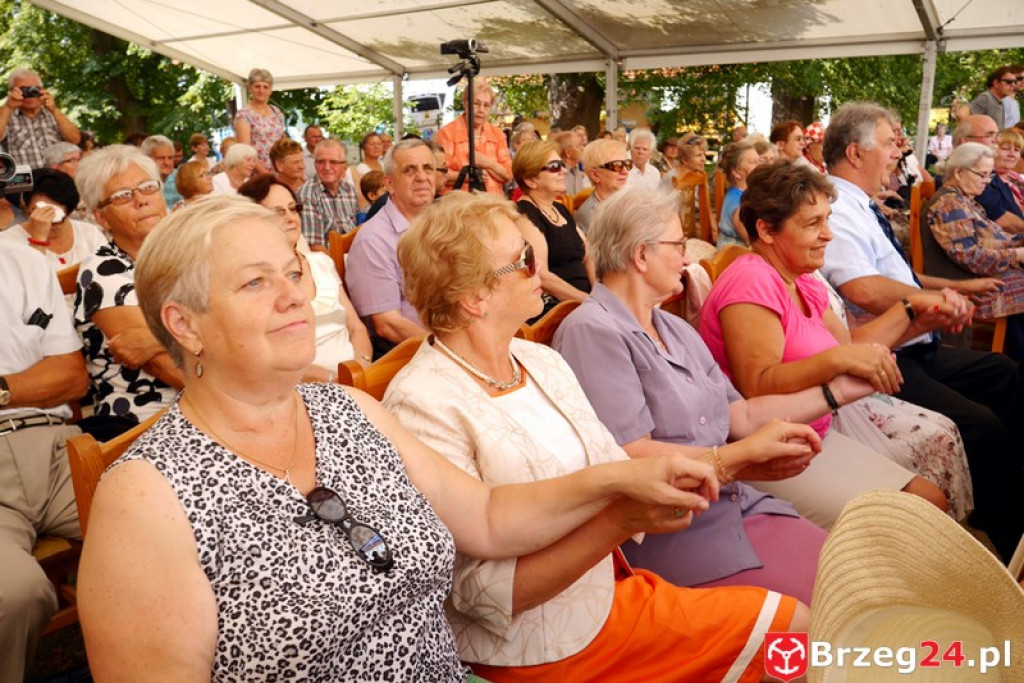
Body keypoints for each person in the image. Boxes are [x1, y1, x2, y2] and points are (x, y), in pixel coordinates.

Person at [78, 195, 727, 682]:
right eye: (255, 282)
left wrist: (622, 482)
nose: (293, 297)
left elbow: (488, 517)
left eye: (293, 272)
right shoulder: (147, 497)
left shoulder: (347, 410)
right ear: (183, 325)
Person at [384, 190, 810, 683]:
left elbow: (617, 466)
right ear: (475, 299)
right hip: (538, 647)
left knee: (797, 630)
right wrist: (620, 518)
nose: (540, 270)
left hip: (610, 589)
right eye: (524, 260)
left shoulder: (537, 360)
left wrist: (715, 469)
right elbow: (483, 596)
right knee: (793, 634)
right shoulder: (422, 405)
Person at [554, 187, 873, 603]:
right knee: (840, 608)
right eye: (679, 245)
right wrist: (740, 459)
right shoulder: (592, 332)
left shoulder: (673, 327)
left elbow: (740, 415)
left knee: (861, 579)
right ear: (641, 254)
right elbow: (627, 455)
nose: (687, 259)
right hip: (672, 531)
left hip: (731, 506)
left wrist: (837, 392)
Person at [699, 161, 972, 525]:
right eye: (813, 223)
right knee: (918, 512)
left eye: (827, 219)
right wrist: (839, 362)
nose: (828, 234)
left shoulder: (800, 275)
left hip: (811, 433)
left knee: (929, 499)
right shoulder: (752, 280)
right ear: (765, 230)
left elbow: (850, 344)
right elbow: (758, 384)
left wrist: (914, 312)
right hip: (769, 450)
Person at [818, 102, 1024, 561]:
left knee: (1002, 371)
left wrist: (951, 288)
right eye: (890, 143)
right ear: (855, 153)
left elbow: (902, 279)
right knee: (981, 424)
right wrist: (929, 303)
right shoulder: (836, 206)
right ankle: (1007, 539)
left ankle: (1010, 493)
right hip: (886, 355)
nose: (899, 153)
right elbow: (862, 288)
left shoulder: (858, 203)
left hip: (915, 345)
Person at [0, 240, 89, 683]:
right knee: (16, 593)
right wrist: (29, 381)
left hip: (54, 446)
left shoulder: (23, 261)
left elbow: (71, 376)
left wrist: (1, 390)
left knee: (171, 531)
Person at [74, 145, 183, 439]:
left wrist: (156, 337)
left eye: (147, 187)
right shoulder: (101, 271)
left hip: (216, 407)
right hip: (150, 426)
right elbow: (170, 369)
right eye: (122, 196)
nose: (141, 200)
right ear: (102, 218)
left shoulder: (189, 253)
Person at [238, 174, 373, 375]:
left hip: (354, 376)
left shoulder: (320, 263)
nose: (290, 218)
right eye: (278, 212)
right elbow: (261, 353)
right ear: (252, 221)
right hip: (297, 383)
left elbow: (356, 328)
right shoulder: (251, 281)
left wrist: (361, 367)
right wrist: (331, 380)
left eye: (293, 209)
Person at [922, 142, 1024, 358]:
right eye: (982, 175)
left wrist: (1018, 243)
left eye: (989, 176)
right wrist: (1016, 254)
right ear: (959, 172)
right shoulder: (949, 204)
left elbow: (996, 239)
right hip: (971, 288)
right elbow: (971, 257)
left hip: (989, 278)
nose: (986, 182)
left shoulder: (964, 200)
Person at [345, 139, 433, 350]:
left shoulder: (444, 223)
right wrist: (451, 351)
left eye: (428, 168)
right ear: (389, 184)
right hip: (414, 354)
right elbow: (387, 325)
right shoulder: (373, 241)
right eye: (410, 170)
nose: (422, 177)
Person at [513, 140, 593, 313]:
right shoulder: (525, 214)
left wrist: (600, 294)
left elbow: (588, 255)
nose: (564, 171)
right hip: (558, 308)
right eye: (554, 167)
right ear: (531, 180)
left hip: (584, 301)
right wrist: (589, 302)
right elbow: (542, 276)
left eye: (562, 165)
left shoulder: (559, 208)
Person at [1, 168, 106, 279]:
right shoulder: (7, 243)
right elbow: (29, 285)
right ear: (27, 208)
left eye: (56, 219)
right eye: (40, 213)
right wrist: (38, 239)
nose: (47, 223)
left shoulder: (90, 234)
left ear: (69, 213)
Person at [436, 79, 512, 196]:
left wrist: (486, 163)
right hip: (459, 207)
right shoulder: (447, 134)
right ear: (466, 103)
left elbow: (508, 174)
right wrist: (468, 176)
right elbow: (439, 174)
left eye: (486, 105)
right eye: (476, 104)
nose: (481, 110)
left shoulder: (498, 135)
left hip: (493, 207)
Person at [0, 67, 81, 169]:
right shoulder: (6, 115)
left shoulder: (54, 115)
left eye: (34, 89)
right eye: (24, 90)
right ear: (12, 91)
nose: (30, 94)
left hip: (57, 180)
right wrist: (8, 107)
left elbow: (75, 139)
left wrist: (54, 110)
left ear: (42, 90)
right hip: (26, 182)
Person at [297, 138, 359, 252]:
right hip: (326, 263)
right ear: (315, 164)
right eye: (321, 162)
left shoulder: (349, 190)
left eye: (333, 162)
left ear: (344, 167)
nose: (326, 167)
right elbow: (315, 247)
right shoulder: (308, 194)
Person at [233, 68, 285, 175]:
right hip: (256, 173)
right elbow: (245, 151)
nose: (261, 90)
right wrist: (265, 175)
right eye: (257, 86)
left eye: (265, 87)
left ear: (270, 90)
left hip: (279, 170)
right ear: (250, 88)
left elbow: (282, 143)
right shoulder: (244, 114)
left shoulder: (277, 112)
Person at [573, 138, 630, 233]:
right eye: (616, 166)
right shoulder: (591, 215)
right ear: (595, 175)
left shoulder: (625, 202)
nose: (625, 171)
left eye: (627, 164)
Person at [975, 127, 1024, 233]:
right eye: (1005, 148)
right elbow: (1002, 219)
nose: (1012, 154)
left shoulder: (1015, 177)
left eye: (1017, 150)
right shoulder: (985, 179)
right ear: (991, 150)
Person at [716, 140, 759, 247]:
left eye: (759, 161)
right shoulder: (738, 203)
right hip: (733, 252)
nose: (759, 166)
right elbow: (750, 241)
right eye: (752, 162)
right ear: (736, 172)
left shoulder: (747, 193)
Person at [142, 135, 182, 208]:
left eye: (170, 158)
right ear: (147, 159)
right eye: (161, 158)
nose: (167, 163)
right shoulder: (140, 185)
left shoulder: (181, 178)